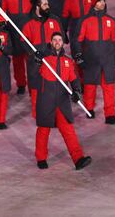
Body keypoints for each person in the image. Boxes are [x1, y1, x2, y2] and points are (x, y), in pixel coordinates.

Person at [34, 32, 91, 170]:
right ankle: (41, 158)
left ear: (63, 43)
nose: (57, 42)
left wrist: (77, 92)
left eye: (60, 40)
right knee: (43, 129)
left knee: (68, 130)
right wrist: (36, 59)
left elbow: (73, 78)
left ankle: (78, 159)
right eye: (55, 40)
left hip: (62, 100)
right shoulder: (44, 58)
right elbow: (35, 68)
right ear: (51, 42)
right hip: (46, 99)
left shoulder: (68, 61)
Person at [73, 0, 115, 124]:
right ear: (93, 4)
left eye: (103, 1)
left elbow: (113, 40)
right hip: (91, 58)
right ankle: (89, 109)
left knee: (109, 86)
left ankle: (110, 115)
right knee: (90, 85)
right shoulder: (85, 20)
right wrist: (79, 55)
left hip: (108, 59)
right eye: (99, 1)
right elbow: (77, 40)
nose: (102, 3)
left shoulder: (110, 20)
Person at [0, 0, 38, 94]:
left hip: (28, 30)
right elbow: (2, 12)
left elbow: (37, 10)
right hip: (13, 30)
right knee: (17, 59)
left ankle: (33, 83)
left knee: (30, 58)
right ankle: (21, 83)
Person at [21, 0, 62, 118]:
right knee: (36, 87)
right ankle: (37, 114)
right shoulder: (28, 23)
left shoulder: (54, 21)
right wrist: (32, 53)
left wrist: (56, 52)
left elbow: (60, 39)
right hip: (35, 62)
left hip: (52, 59)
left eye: (47, 4)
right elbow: (23, 41)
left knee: (53, 88)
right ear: (37, 7)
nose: (47, 6)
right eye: (44, 4)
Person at [62, 0, 96, 80]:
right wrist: (64, 32)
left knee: (90, 57)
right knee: (77, 58)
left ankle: (89, 83)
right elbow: (65, 16)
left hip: (90, 33)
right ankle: (79, 85)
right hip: (75, 33)